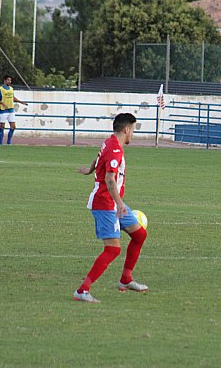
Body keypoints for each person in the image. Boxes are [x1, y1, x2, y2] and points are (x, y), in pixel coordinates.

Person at [74, 113, 148, 303]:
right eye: (133, 130)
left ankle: (126, 279)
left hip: (114, 202)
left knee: (139, 235)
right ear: (126, 129)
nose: (133, 134)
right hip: (105, 203)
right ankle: (82, 291)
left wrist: (90, 170)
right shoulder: (115, 149)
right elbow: (109, 179)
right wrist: (121, 204)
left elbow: (99, 158)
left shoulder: (108, 142)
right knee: (113, 249)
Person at [0, 75, 28, 145]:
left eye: (10, 80)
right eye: (8, 80)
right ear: (4, 80)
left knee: (13, 126)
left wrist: (21, 102)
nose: (9, 81)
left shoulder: (11, 89)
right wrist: (3, 103)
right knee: (2, 126)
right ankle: (1, 143)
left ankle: (9, 142)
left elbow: (13, 98)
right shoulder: (0, 89)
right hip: (3, 110)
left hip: (11, 110)